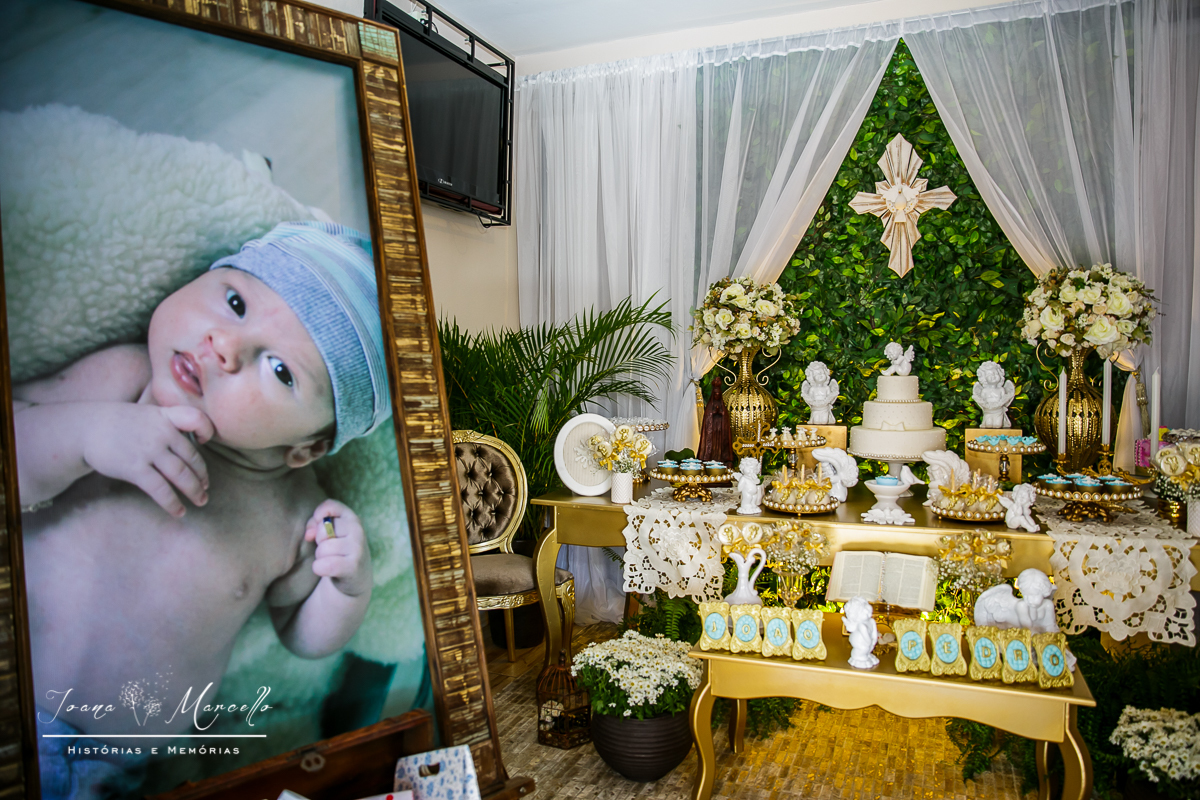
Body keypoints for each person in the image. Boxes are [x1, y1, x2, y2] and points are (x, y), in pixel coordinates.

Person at [15, 222, 388, 798]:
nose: (224, 345)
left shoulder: (296, 514)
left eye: (280, 370)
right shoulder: (125, 382)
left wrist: (346, 588)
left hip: (109, 773)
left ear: (307, 447)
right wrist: (88, 434)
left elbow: (302, 635)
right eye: (236, 302)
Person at [972, 360, 1016, 428]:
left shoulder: (1001, 390)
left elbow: (1004, 400)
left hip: (998, 411)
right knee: (989, 425)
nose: (993, 376)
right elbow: (982, 401)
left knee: (998, 425)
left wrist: (1003, 401)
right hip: (988, 411)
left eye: (995, 374)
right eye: (989, 375)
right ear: (984, 378)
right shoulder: (984, 391)